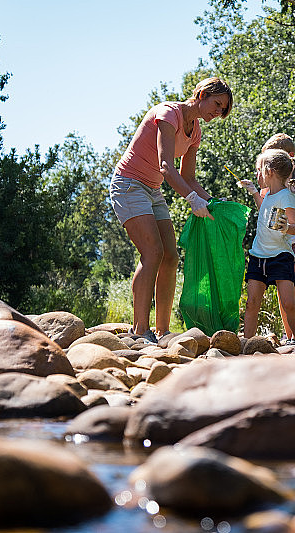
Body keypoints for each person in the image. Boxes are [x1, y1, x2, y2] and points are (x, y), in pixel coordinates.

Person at [109, 77, 233, 344]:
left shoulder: (196, 130)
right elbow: (166, 166)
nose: (218, 111)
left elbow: (189, 178)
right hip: (129, 185)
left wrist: (212, 202)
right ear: (200, 94)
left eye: (223, 109)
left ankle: (162, 331)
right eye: (217, 103)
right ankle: (140, 330)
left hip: (152, 190)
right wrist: (192, 200)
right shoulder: (168, 113)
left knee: (170, 257)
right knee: (152, 252)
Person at [239, 133, 295, 344]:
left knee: (293, 293)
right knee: (277, 295)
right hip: (268, 248)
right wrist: (254, 192)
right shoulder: (270, 190)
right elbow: (266, 211)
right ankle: (287, 336)